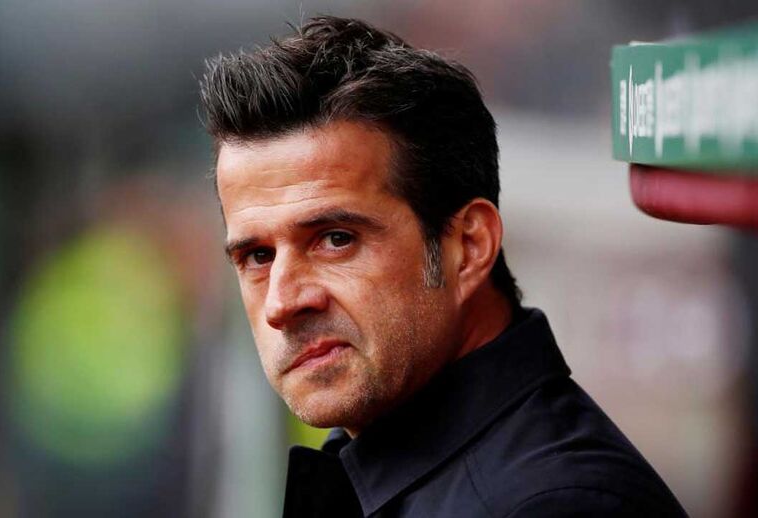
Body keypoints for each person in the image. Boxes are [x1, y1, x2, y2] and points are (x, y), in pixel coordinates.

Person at [200, 16, 687, 517]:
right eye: (258, 256)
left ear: (469, 246)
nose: (282, 303)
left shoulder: (555, 505)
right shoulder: (383, 470)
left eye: (336, 240)